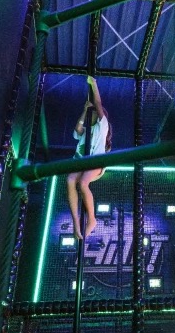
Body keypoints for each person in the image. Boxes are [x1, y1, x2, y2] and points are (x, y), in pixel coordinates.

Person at [67, 76, 112, 240]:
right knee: (70, 180)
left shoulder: (102, 126)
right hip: (81, 162)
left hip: (96, 163)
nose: (91, 115)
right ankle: (76, 223)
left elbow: (98, 104)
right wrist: (85, 110)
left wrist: (94, 84)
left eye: (93, 113)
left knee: (83, 183)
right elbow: (77, 129)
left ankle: (92, 220)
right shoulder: (85, 131)